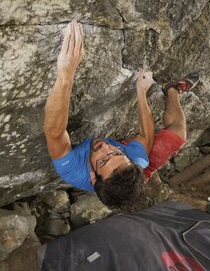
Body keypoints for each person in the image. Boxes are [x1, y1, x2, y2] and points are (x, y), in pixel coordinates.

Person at [43, 21, 200, 210]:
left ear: (93, 177)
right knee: (178, 134)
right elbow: (146, 135)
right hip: (137, 169)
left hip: (121, 176)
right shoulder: (136, 160)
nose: (105, 147)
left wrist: (66, 73)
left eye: (102, 160)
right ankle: (172, 90)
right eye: (116, 152)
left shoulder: (73, 170)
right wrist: (141, 92)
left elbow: (54, 131)